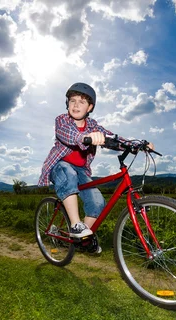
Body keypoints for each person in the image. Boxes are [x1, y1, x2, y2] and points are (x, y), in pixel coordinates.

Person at [39, 82, 153, 243]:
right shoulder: (62, 120)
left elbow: (112, 137)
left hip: (81, 171)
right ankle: (76, 224)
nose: (76, 104)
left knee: (98, 203)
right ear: (67, 104)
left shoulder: (93, 126)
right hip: (60, 166)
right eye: (72, 100)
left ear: (90, 107)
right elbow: (67, 134)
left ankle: (80, 239)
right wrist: (84, 138)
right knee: (68, 172)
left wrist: (135, 145)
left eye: (82, 101)